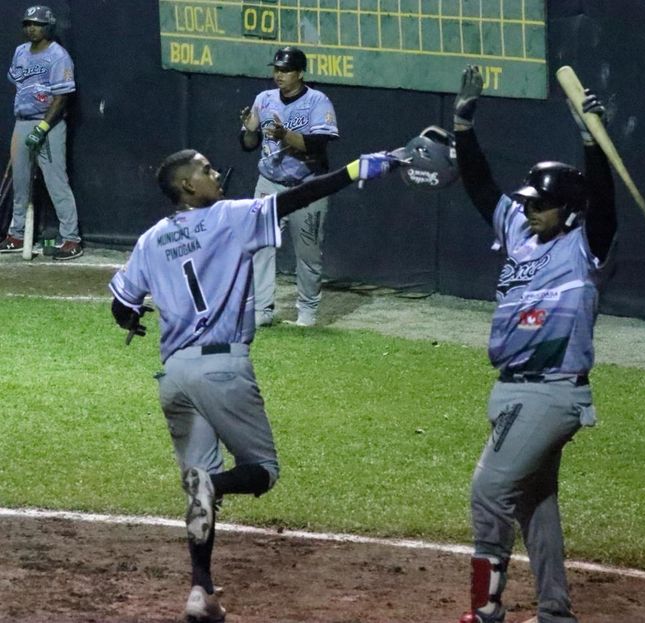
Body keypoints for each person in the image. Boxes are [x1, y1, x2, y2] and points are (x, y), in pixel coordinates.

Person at [108, 148, 398, 622]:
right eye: (204, 170)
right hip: (222, 370)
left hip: (175, 376)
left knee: (197, 490)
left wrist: (134, 318)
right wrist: (353, 170)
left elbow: (122, 304)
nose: (215, 173)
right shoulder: (229, 217)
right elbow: (298, 195)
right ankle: (212, 485)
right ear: (186, 186)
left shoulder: (150, 240)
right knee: (262, 469)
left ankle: (200, 590)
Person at [451, 65, 616, 623]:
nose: (526, 209)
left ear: (568, 209)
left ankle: (486, 610)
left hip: (551, 394)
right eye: (525, 201)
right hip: (511, 389)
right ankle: (555, 612)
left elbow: (605, 199)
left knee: (488, 491)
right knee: (533, 503)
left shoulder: (584, 245)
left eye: (538, 203)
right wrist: (463, 124)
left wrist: (591, 135)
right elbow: (479, 184)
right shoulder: (519, 229)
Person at [239, 46, 339, 327]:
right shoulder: (265, 99)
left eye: (286, 70)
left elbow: (318, 145)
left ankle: (307, 310)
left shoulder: (318, 101)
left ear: (300, 73)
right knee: (260, 246)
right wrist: (249, 130)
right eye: (277, 69)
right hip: (269, 182)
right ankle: (263, 310)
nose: (279, 75)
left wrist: (285, 135)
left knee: (308, 251)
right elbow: (248, 146)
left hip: (307, 185)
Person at [1, 5, 83, 260]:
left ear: (48, 26)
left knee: (56, 182)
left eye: (36, 23)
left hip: (49, 124)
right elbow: (19, 83)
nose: (31, 27)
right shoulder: (20, 52)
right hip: (23, 121)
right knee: (21, 182)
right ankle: (15, 235)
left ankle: (71, 239)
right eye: (27, 23)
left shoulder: (58, 56)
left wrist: (43, 127)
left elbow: (61, 97)